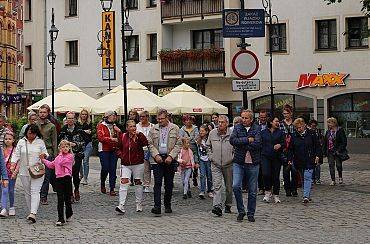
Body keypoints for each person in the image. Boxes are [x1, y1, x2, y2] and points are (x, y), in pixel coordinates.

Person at [11, 124, 48, 223]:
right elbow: (16, 154)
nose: (32, 135)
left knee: (35, 191)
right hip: (24, 171)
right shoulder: (21, 142)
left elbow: (46, 153)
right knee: (27, 192)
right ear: (26, 132)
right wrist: (13, 164)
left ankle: (33, 213)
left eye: (34, 134)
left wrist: (43, 155)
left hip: (37, 170)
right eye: (30, 133)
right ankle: (30, 211)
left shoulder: (40, 142)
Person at [230, 110, 261, 222]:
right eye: (242, 117)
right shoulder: (237, 128)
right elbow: (233, 141)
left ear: (251, 119)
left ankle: (251, 213)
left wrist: (242, 144)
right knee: (236, 186)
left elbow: (258, 144)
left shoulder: (256, 128)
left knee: (252, 190)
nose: (243, 120)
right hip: (239, 162)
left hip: (253, 163)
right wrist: (247, 140)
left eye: (246, 118)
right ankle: (241, 210)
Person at [148, 109, 181, 215]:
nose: (160, 121)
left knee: (169, 183)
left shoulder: (175, 128)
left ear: (167, 118)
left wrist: (171, 156)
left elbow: (178, 144)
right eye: (158, 119)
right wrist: (155, 155)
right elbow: (150, 143)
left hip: (169, 159)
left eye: (162, 118)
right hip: (157, 159)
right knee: (157, 183)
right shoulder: (153, 129)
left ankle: (167, 204)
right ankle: (157, 206)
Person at [115, 120, 148, 214]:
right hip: (125, 164)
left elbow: (145, 143)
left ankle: (139, 203)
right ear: (127, 128)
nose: (133, 128)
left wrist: (140, 135)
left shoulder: (138, 136)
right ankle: (121, 205)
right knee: (124, 184)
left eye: (134, 126)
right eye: (131, 126)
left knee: (138, 183)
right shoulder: (123, 136)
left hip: (138, 163)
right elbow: (118, 148)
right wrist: (122, 155)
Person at [40, 140, 74, 226]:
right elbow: (52, 165)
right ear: (60, 148)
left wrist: (60, 155)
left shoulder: (70, 156)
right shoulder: (58, 157)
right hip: (59, 179)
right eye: (63, 147)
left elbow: (63, 162)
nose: (65, 148)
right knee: (60, 199)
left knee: (67, 197)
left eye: (66, 146)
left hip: (67, 178)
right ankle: (61, 218)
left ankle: (69, 213)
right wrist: (43, 160)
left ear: (69, 148)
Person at [207, 115, 233, 217]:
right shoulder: (212, 133)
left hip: (229, 163)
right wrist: (211, 157)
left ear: (227, 123)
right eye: (219, 122)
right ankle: (217, 206)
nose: (220, 124)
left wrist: (232, 157)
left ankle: (228, 204)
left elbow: (236, 146)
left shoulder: (232, 133)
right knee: (217, 185)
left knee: (229, 187)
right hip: (215, 163)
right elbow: (208, 146)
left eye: (222, 122)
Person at [288, 118, 320, 203]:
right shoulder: (294, 136)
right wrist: (290, 159)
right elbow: (291, 149)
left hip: (310, 159)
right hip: (299, 160)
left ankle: (305, 196)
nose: (299, 129)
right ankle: (307, 194)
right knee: (303, 178)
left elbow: (317, 146)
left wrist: (317, 156)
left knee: (307, 177)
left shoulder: (312, 134)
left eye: (300, 127)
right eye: (297, 128)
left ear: (304, 125)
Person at [59, 111, 86, 203]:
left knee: (75, 174)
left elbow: (84, 143)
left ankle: (76, 189)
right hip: (66, 156)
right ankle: (70, 194)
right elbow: (59, 142)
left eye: (72, 118)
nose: (70, 120)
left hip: (76, 155)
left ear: (74, 119)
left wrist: (75, 144)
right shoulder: (63, 130)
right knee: (67, 176)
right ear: (66, 119)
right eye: (68, 118)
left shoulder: (79, 130)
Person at [260, 117, 285, 203]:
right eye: (276, 121)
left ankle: (276, 195)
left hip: (276, 157)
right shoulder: (263, 132)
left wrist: (280, 145)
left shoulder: (281, 132)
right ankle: (267, 192)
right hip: (265, 156)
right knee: (266, 174)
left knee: (275, 176)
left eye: (278, 121)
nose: (278, 123)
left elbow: (284, 143)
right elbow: (260, 143)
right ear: (271, 122)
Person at [97, 111, 121, 196]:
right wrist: (111, 139)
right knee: (105, 167)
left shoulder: (115, 126)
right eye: (112, 115)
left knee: (113, 168)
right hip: (104, 150)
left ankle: (112, 188)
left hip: (114, 150)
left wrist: (119, 132)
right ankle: (103, 182)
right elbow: (100, 138)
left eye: (115, 115)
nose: (114, 117)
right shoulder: (101, 126)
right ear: (107, 117)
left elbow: (121, 139)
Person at [38, 104, 58, 205]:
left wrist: (55, 156)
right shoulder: (35, 124)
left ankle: (43, 196)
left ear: (48, 113)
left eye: (44, 112)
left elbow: (54, 141)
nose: (42, 114)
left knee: (46, 176)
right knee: (37, 174)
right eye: (40, 112)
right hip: (36, 153)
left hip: (48, 153)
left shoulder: (51, 126)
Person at [323, 117, 348, 186]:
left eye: (329, 123)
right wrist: (324, 152)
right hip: (330, 151)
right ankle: (333, 180)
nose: (328, 124)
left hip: (337, 151)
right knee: (331, 165)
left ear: (334, 123)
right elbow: (325, 142)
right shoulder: (328, 132)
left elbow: (344, 142)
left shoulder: (340, 130)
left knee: (338, 165)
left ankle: (340, 177)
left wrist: (339, 150)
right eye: (328, 123)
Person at [280, 104, 298, 197]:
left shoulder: (295, 123)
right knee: (286, 171)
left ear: (291, 113)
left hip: (294, 149)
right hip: (284, 149)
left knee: (294, 170)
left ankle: (294, 189)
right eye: (284, 113)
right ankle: (287, 189)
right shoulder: (281, 124)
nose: (285, 115)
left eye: (287, 113)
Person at [179, 115, 199, 187]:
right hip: (185, 149)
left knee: (195, 162)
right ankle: (188, 180)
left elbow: (196, 137)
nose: (188, 121)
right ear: (184, 121)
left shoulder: (195, 128)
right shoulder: (182, 129)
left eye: (189, 120)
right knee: (187, 164)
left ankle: (195, 176)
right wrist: (189, 139)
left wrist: (187, 139)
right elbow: (181, 138)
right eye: (186, 120)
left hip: (193, 148)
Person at [136, 110, 154, 193]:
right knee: (141, 168)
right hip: (139, 149)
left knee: (147, 168)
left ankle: (146, 184)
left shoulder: (152, 126)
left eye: (143, 117)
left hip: (150, 149)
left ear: (147, 117)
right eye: (140, 117)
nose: (141, 118)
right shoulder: (136, 126)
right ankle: (141, 183)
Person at [196, 124, 213, 199]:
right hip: (201, 159)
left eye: (202, 131)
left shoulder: (210, 139)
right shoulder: (198, 139)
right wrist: (196, 161)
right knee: (202, 175)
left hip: (209, 159)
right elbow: (196, 151)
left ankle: (210, 190)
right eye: (200, 131)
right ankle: (202, 191)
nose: (201, 132)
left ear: (206, 132)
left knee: (209, 176)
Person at [0, 132, 15, 217]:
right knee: (4, 190)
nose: (7, 141)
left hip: (10, 173)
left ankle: (11, 206)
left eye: (9, 139)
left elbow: (18, 161)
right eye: (6, 139)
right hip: (3, 173)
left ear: (13, 140)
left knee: (10, 190)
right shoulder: (2, 149)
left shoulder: (15, 149)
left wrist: (15, 172)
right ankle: (4, 208)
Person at [77, 109, 93, 185]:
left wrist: (83, 131)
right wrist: (84, 131)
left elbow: (91, 132)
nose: (84, 115)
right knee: (79, 161)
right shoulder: (77, 123)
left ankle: (85, 178)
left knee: (85, 161)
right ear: (80, 115)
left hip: (88, 144)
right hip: (79, 144)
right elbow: (77, 131)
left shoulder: (90, 123)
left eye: (85, 114)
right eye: (82, 114)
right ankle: (82, 175)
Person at [308, 119, 324, 184]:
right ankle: (312, 179)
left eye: (315, 126)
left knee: (317, 165)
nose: (314, 127)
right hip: (311, 151)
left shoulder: (318, 132)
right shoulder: (308, 132)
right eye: (312, 126)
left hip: (317, 150)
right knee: (312, 165)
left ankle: (317, 179)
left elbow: (321, 140)